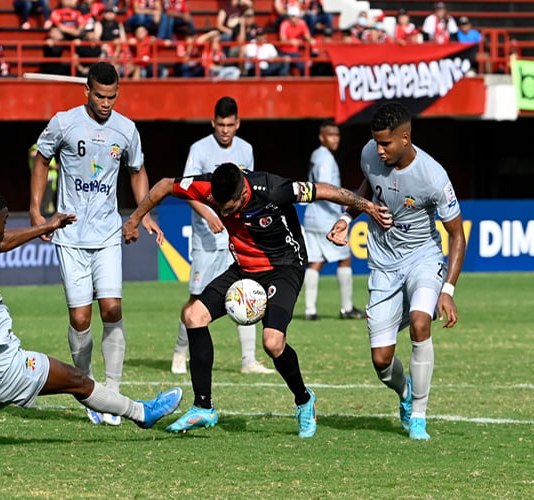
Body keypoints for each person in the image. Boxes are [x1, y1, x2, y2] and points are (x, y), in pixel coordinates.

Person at [123, 164, 391, 438]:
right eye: (221, 208)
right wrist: (135, 219)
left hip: (284, 267)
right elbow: (165, 184)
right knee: (193, 316)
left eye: (230, 208)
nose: (225, 214)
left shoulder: (274, 189)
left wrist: (366, 207)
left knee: (273, 343)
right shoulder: (208, 189)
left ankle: (304, 400)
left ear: (242, 194)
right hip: (242, 270)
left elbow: (323, 190)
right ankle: (203, 406)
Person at [0, 189, 182, 447]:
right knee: (77, 380)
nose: (6, 228)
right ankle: (142, 413)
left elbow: (3, 241)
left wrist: (47, 226)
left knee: (3, 391)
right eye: (4, 222)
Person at [29, 62, 163, 427]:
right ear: (86, 91)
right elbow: (41, 160)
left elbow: (138, 172)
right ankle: (88, 389)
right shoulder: (63, 122)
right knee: (80, 317)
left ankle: (114, 394)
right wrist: (36, 210)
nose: (106, 103)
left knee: (112, 309)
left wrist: (143, 212)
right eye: (100, 96)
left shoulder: (126, 129)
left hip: (107, 233)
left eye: (112, 96)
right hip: (70, 235)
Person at [327, 102, 466, 440]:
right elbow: (367, 186)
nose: (379, 149)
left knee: (421, 323)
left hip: (423, 258)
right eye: (375, 142)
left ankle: (418, 414)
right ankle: (405, 394)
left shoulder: (433, 177)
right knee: (381, 361)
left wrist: (447, 291)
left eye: (385, 143)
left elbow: (457, 235)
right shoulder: (370, 154)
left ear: (405, 138)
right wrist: (347, 218)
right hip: (383, 266)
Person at [171, 97, 272, 375]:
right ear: (213, 123)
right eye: (221, 125)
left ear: (237, 123)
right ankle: (180, 352)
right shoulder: (199, 149)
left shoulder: (246, 149)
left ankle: (248, 361)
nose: (225, 130)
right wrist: (209, 215)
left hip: (237, 238)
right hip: (207, 239)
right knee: (196, 297)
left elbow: (248, 190)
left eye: (230, 125)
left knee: (247, 292)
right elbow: (185, 189)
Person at [302, 120, 364, 321]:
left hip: (312, 216)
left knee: (316, 263)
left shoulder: (315, 155)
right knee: (345, 258)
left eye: (337, 135)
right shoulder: (326, 159)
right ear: (322, 137)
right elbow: (325, 188)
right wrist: (342, 205)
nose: (335, 139)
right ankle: (346, 308)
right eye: (331, 135)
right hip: (326, 218)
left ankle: (310, 310)